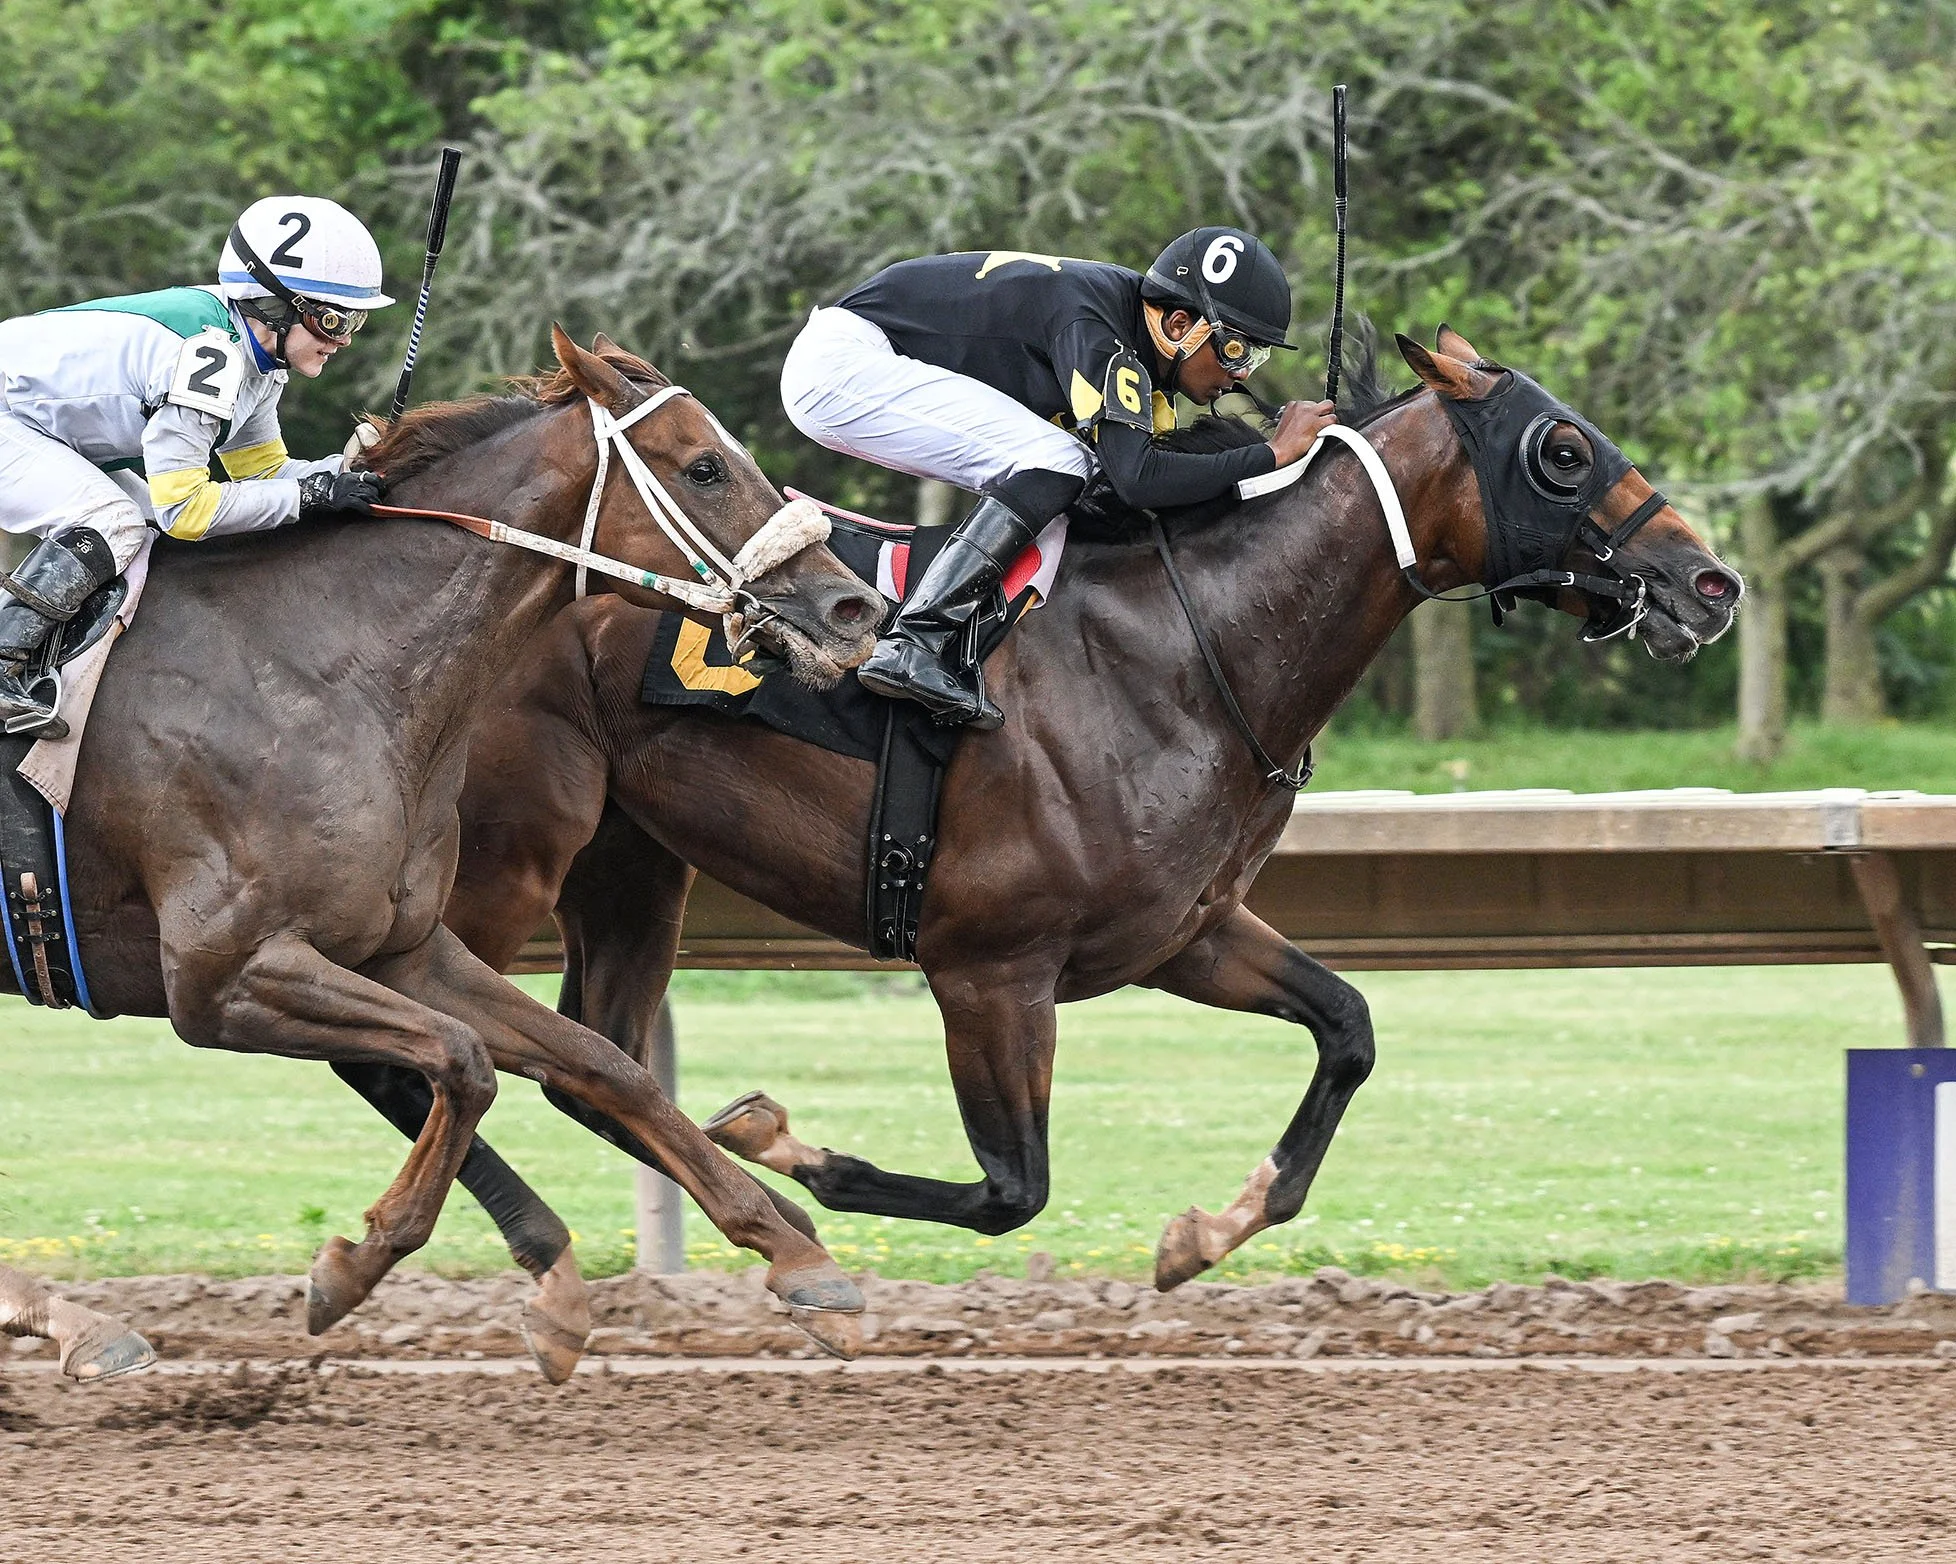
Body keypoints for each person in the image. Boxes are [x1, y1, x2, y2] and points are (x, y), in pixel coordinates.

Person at [780, 227, 1339, 729]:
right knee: (1061, 461)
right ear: (1178, 324)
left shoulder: (1125, 329)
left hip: (862, 362)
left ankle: (970, 643)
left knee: (1076, 474)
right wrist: (1270, 455)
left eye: (1255, 358)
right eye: (1236, 350)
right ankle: (917, 642)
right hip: (844, 366)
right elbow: (1139, 480)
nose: (1240, 376)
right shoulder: (1101, 333)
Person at [0, 196, 396, 737]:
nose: (345, 339)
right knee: (114, 520)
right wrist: (312, 496)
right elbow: (185, 509)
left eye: (357, 321)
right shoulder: (208, 356)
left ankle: (54, 666)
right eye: (333, 318)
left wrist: (345, 470)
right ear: (276, 307)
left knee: (137, 530)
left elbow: (260, 477)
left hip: (38, 428)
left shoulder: (260, 363)